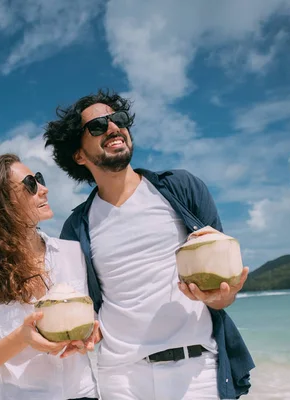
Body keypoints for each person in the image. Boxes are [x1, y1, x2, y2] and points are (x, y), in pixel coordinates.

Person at [43, 89, 255, 400]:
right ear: (78, 154)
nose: (114, 128)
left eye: (119, 120)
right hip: (122, 377)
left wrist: (223, 297)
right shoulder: (77, 227)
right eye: (98, 126)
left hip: (198, 372)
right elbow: (78, 306)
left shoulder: (181, 189)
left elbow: (221, 280)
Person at [0, 154, 100, 400]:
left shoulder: (73, 253)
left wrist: (90, 334)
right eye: (30, 184)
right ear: (0, 203)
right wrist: (22, 337)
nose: (44, 189)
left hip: (81, 392)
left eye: (40, 179)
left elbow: (95, 316)